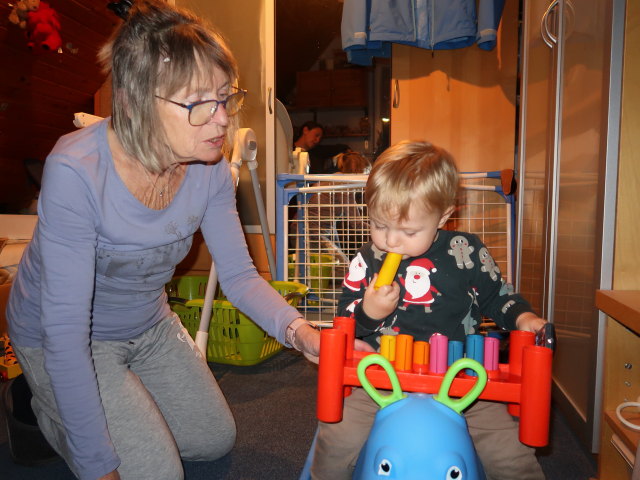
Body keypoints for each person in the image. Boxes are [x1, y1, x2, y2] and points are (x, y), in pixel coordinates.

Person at [5, 2, 327, 479]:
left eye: (225, 97)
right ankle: (42, 406)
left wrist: (299, 331)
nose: (222, 121)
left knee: (213, 439)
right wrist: (99, 466)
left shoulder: (212, 170)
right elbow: (67, 330)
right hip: (67, 337)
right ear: (137, 101)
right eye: (201, 103)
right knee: (159, 473)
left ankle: (119, 399)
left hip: (149, 325)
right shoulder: (76, 171)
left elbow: (239, 276)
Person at [310, 140, 548, 480]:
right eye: (379, 225)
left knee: (509, 452)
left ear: (445, 215)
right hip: (379, 376)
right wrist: (369, 311)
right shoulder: (366, 260)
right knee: (335, 438)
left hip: (462, 377)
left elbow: (498, 296)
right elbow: (346, 327)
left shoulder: (465, 251)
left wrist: (525, 318)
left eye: (408, 231)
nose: (390, 241)